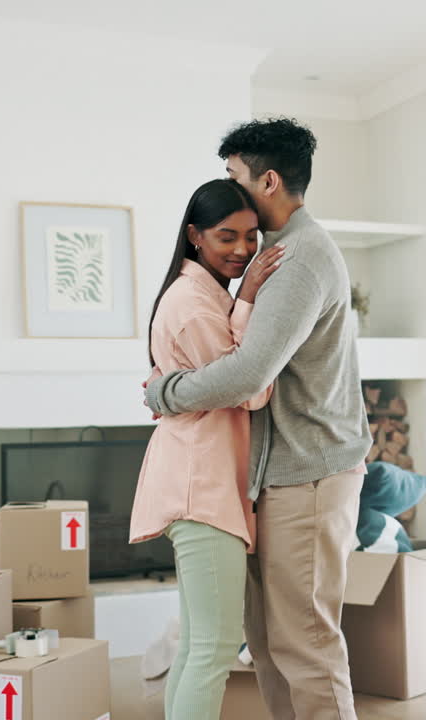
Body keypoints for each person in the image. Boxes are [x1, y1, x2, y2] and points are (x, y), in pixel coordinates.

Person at [145, 118, 371, 720]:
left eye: (236, 177)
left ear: (268, 179)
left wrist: (166, 393)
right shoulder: (274, 254)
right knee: (270, 647)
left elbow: (248, 374)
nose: (232, 189)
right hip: (280, 476)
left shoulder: (297, 258)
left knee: (305, 645)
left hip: (310, 475)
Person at [129, 178, 285, 720]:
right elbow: (250, 387)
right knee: (215, 648)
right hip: (203, 490)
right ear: (195, 235)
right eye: (227, 237)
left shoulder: (196, 294)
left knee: (198, 646)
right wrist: (246, 301)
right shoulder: (196, 303)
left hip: (200, 484)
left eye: (250, 236)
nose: (243, 250)